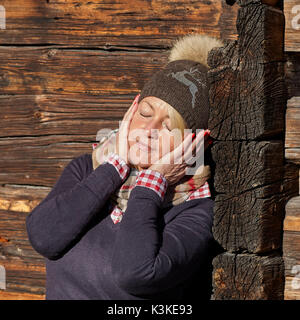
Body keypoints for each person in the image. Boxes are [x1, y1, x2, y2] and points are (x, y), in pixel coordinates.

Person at [26, 34, 224, 300]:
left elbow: (135, 273)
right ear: (131, 110)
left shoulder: (196, 211)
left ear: (196, 143)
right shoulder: (88, 169)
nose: (149, 130)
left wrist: (152, 182)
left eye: (168, 126)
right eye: (145, 113)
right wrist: (113, 168)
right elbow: (44, 237)